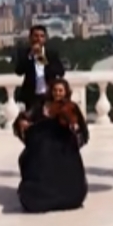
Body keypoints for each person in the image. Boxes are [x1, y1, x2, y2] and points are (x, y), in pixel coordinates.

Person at [14, 78, 89, 213]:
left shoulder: (71, 107)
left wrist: (74, 127)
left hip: (63, 146)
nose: (57, 93)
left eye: (61, 91)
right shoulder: (42, 104)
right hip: (45, 146)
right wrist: (24, 122)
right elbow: (27, 116)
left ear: (66, 92)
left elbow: (81, 130)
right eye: (55, 90)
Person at [14, 25, 65, 109]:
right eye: (36, 36)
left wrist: (41, 58)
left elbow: (60, 71)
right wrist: (30, 56)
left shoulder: (51, 54)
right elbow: (18, 71)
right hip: (31, 96)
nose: (38, 39)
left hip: (49, 94)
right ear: (30, 38)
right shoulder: (24, 53)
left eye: (41, 36)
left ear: (45, 39)